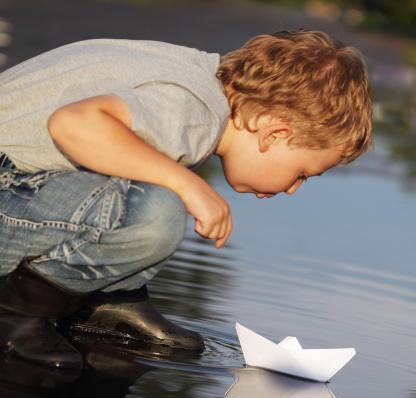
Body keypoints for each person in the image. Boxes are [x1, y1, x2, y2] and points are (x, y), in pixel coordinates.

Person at [0, 29, 372, 370]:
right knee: (158, 212)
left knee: (149, 185)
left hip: (21, 186)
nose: (293, 188)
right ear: (273, 134)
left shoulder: (190, 74)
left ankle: (107, 299)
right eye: (302, 173)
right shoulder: (194, 111)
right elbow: (73, 124)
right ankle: (16, 315)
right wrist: (188, 185)